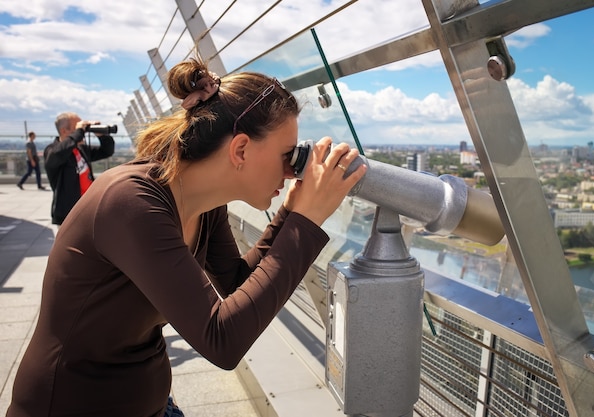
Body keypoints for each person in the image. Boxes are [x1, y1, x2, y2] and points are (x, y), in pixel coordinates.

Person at [7, 57, 367, 417]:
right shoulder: (130, 202)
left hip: (151, 404)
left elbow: (238, 282)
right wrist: (307, 221)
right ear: (240, 149)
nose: (291, 172)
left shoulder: (204, 204)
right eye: (286, 156)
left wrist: (290, 213)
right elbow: (222, 340)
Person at [43, 112, 115, 225]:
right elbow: (57, 154)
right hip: (69, 215)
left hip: (89, 209)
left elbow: (107, 151)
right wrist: (79, 132)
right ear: (63, 131)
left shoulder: (81, 150)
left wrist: (101, 135)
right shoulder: (52, 151)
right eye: (77, 128)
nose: (82, 132)